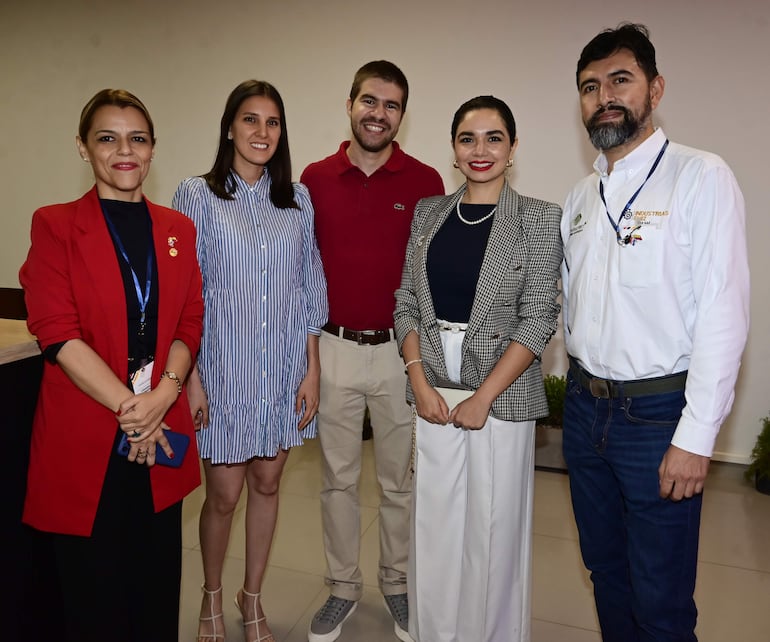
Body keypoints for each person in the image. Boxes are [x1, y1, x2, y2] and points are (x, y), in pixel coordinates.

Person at [561, 23, 750, 642]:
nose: (604, 96)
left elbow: (725, 311)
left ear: (655, 88)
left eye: (620, 80)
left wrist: (696, 437)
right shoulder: (580, 198)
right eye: (590, 87)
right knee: (606, 571)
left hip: (658, 418)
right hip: (588, 416)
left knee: (661, 598)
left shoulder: (701, 176)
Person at [19, 88, 204, 641]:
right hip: (89, 431)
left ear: (152, 149)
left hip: (158, 428)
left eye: (137, 138)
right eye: (107, 138)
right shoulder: (55, 226)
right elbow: (58, 334)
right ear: (83, 148)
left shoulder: (176, 230)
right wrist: (134, 410)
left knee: (153, 588)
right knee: (93, 597)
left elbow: (189, 321)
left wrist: (162, 397)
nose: (125, 151)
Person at [394, 96, 562, 642]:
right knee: (434, 529)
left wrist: (483, 396)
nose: (480, 150)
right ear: (453, 150)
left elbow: (539, 317)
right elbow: (406, 303)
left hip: (500, 397)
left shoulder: (539, 217)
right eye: (468, 138)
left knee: (492, 534)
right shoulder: (428, 213)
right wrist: (418, 381)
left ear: (513, 148)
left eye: (494, 138)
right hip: (432, 391)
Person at [172, 79, 328, 642]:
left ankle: (251, 597)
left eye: (273, 122)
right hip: (221, 372)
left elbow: (310, 285)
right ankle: (212, 597)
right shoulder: (196, 194)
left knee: (267, 484)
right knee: (224, 495)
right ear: (230, 127)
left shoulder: (298, 199)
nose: (262, 133)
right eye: (250, 120)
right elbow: (184, 291)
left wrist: (311, 368)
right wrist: (188, 379)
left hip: (283, 372)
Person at [301, 60, 444, 642]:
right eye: (369, 101)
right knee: (335, 478)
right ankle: (340, 587)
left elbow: (429, 277)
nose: (377, 113)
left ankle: (398, 583)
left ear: (401, 116)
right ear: (350, 103)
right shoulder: (313, 178)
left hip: (396, 351)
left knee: (399, 482)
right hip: (332, 347)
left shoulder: (425, 181)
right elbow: (298, 272)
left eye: (390, 105)